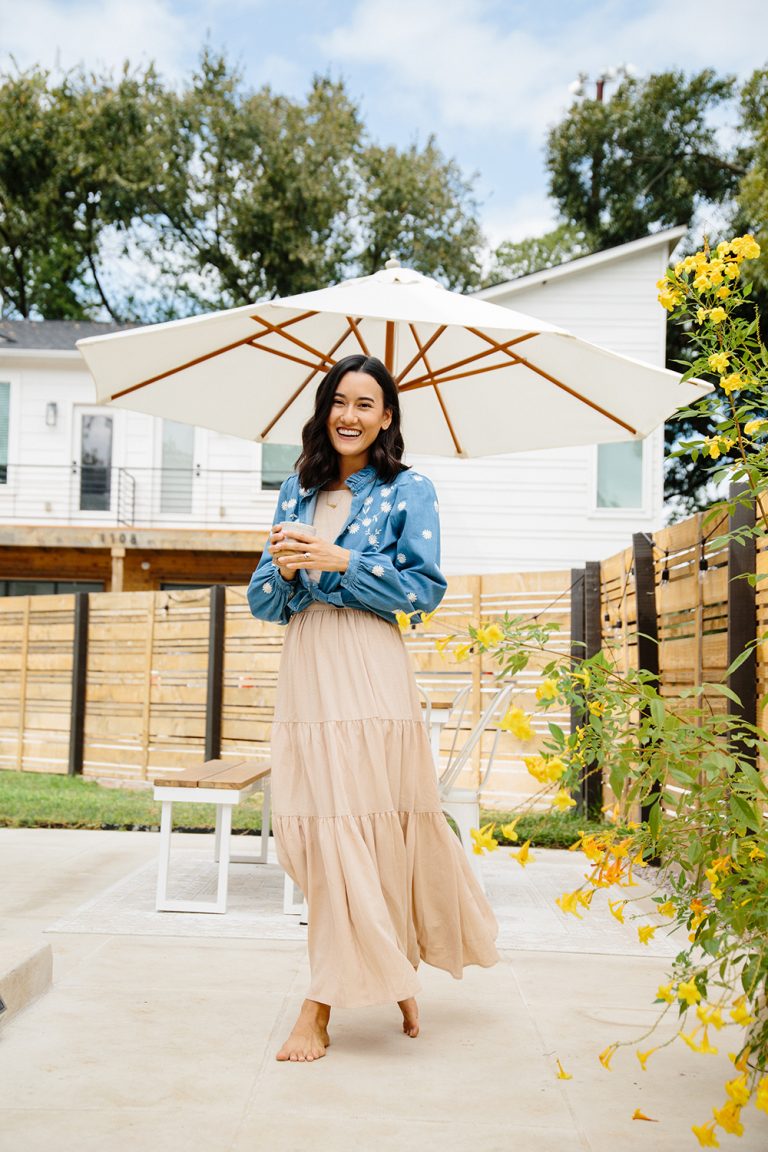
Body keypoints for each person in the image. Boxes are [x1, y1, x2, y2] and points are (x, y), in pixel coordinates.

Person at [247, 353, 499, 1063]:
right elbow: (262, 600)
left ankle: (318, 1008)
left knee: (363, 823)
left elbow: (423, 591)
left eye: (365, 403)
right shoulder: (296, 489)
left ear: (386, 417)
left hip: (368, 665)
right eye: (339, 400)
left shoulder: (409, 489)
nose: (349, 415)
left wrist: (342, 562)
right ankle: (391, 970)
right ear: (324, 409)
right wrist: (286, 572)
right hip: (307, 666)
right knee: (318, 829)